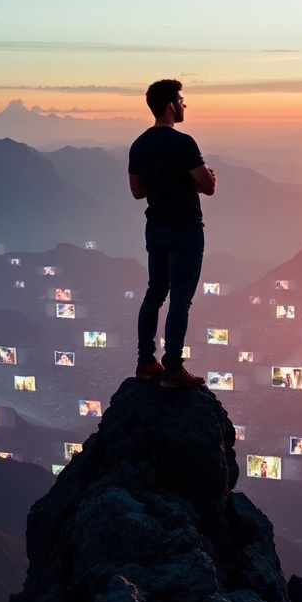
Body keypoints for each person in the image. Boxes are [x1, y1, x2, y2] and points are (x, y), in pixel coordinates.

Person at [129, 79, 216, 389]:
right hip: (185, 229)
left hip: (155, 229)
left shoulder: (139, 144)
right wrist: (197, 180)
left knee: (154, 294)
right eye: (181, 100)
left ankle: (145, 362)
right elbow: (208, 186)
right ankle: (173, 367)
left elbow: (138, 191)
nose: (184, 105)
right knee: (181, 298)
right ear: (170, 105)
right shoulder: (184, 143)